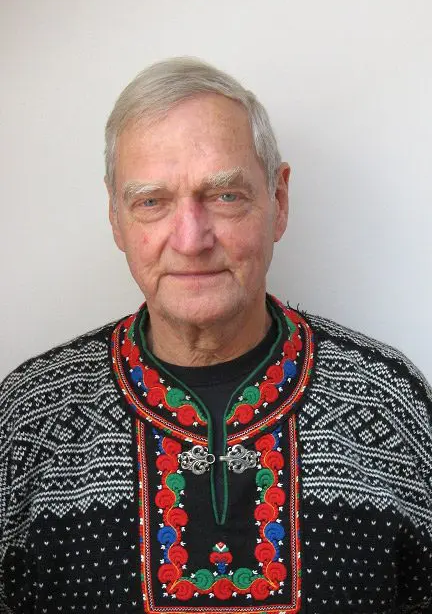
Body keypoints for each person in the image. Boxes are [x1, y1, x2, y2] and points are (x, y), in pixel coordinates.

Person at [0, 57, 431, 614]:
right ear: (115, 217)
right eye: (151, 202)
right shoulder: (33, 415)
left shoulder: (390, 402)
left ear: (277, 201)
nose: (191, 237)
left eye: (224, 195)